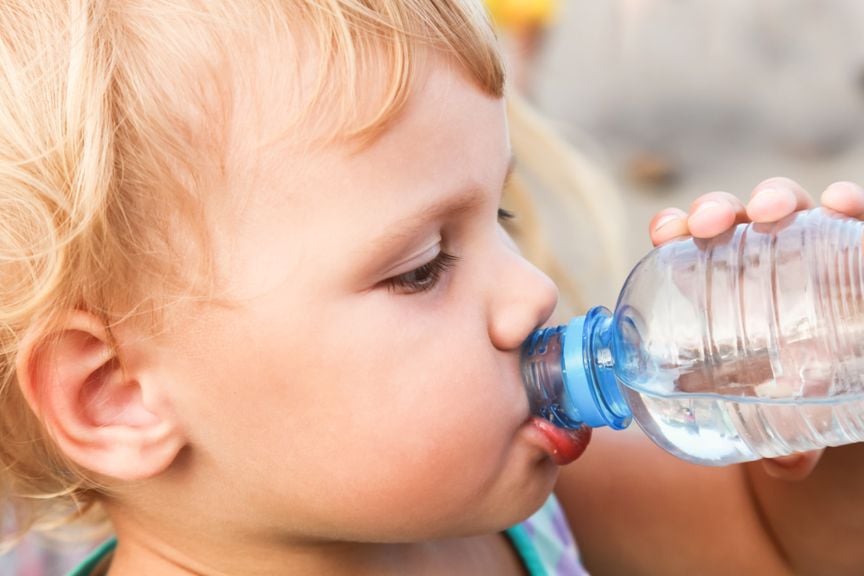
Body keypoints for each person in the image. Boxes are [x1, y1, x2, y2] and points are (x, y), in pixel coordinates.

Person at [1, 2, 863, 575]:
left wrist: (823, 404)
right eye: (421, 267)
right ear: (117, 397)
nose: (532, 293)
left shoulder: (509, 516)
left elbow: (779, 548)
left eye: (506, 217)